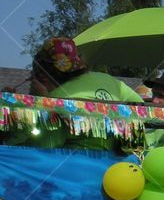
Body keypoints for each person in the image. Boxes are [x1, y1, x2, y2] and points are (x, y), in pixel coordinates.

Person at [14, 37, 143, 150]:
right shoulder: (108, 79)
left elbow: (45, 144)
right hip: (118, 164)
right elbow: (142, 108)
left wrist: (41, 102)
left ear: (43, 77)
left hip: (77, 170)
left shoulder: (57, 100)